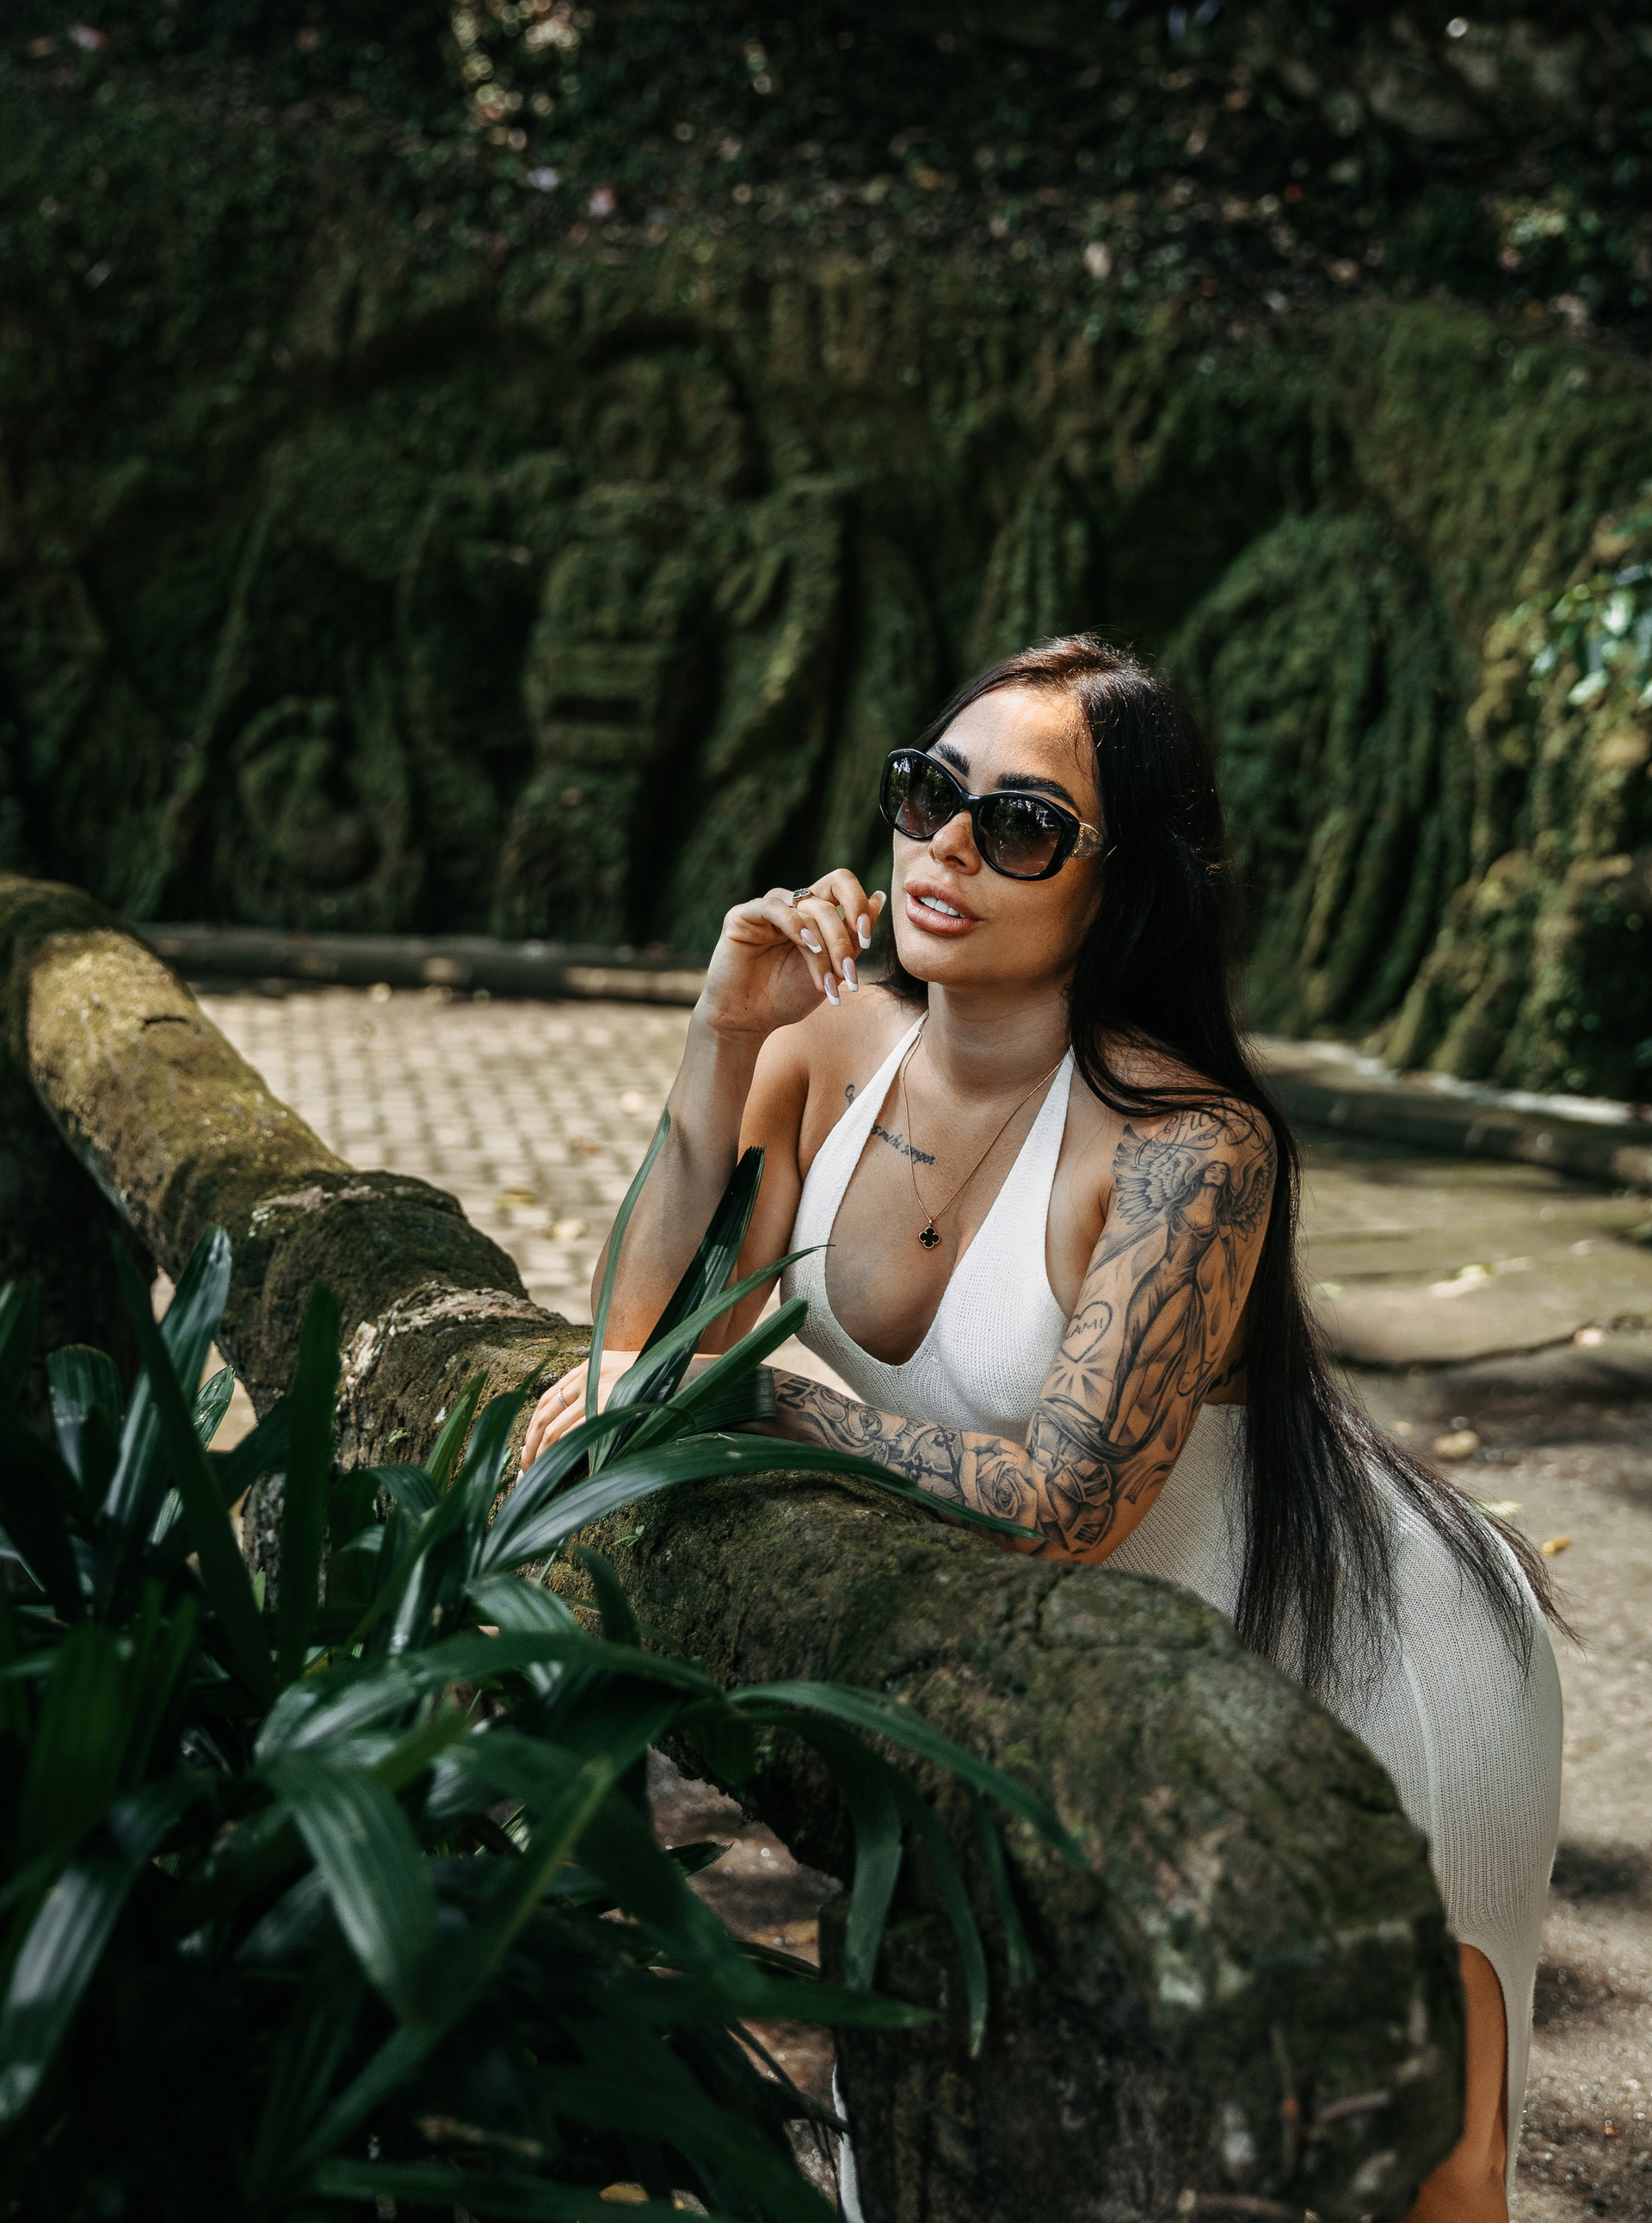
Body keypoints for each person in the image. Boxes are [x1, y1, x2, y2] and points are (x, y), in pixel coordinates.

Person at [523, 633, 1565, 2222]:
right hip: (1062, 1697)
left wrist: (748, 1398)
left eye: (1020, 826)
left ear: (1119, 885)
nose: (946, 846)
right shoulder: (819, 1048)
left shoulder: (1189, 1147)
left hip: (1362, 1655)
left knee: (1429, 2173)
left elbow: (1060, 1502)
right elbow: (642, 1341)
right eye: (927, 793)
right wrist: (720, 1040)